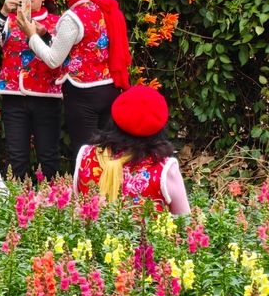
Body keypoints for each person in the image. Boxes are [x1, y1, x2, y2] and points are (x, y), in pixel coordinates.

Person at [16, 0, 131, 156]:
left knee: (85, 154)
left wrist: (31, 35)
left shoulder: (73, 16)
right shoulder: (103, 7)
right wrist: (46, 35)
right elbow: (82, 45)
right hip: (109, 87)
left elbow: (53, 59)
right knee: (108, 153)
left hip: (83, 93)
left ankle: (88, 179)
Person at [0, 0, 62, 181]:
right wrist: (2, 12)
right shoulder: (9, 21)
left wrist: (43, 34)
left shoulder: (55, 22)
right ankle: (18, 196)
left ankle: (52, 197)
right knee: (16, 156)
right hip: (14, 96)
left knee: (48, 155)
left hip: (46, 96)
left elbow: (60, 56)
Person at [74, 84, 190, 215]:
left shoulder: (86, 156)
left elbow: (77, 210)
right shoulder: (165, 170)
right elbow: (184, 220)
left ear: (114, 118)